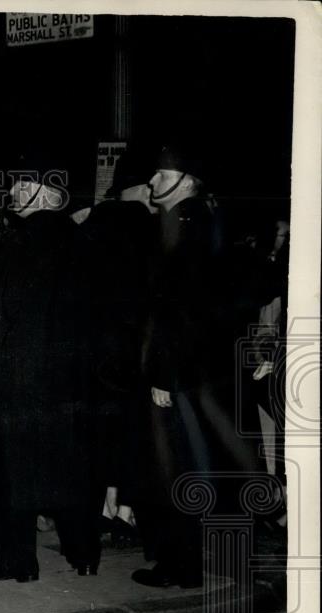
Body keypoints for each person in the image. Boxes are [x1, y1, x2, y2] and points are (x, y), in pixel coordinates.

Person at [0, 149, 99, 583]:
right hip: (74, 382)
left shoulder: (18, 242)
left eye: (22, 185)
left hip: (20, 384)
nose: (13, 192)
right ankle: (85, 554)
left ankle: (19, 562)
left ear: (47, 194)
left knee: (12, 477)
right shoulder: (82, 241)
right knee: (73, 471)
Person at [131, 143, 261, 589]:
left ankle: (180, 567)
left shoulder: (177, 224)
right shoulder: (216, 220)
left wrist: (163, 374)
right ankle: (231, 561)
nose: (152, 183)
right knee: (221, 460)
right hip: (214, 370)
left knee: (176, 469)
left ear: (185, 180)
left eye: (161, 177)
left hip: (181, 374)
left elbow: (174, 307)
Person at [79, 146, 159, 546]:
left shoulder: (93, 222)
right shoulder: (151, 227)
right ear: (144, 188)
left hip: (94, 348)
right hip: (135, 349)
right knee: (134, 433)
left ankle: (106, 509)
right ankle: (126, 511)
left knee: (100, 434)